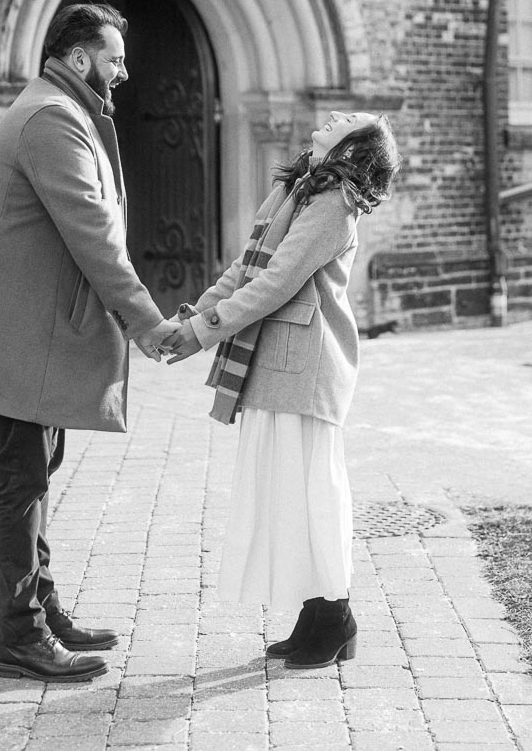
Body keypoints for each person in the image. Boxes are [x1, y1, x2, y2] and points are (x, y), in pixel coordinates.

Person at [0, 2, 177, 683]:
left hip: (31, 332)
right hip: (20, 335)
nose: (123, 70)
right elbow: (94, 234)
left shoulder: (60, 110)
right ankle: (21, 636)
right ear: (78, 58)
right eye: (114, 57)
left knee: (33, 476)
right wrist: (148, 324)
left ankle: (43, 609)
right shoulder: (51, 120)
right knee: (20, 480)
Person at [164, 110, 400, 669]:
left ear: (355, 146)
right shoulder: (296, 190)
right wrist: (193, 317)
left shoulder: (334, 202)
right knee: (287, 491)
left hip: (306, 366)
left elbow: (275, 284)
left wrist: (201, 333)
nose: (334, 116)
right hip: (278, 363)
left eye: (349, 119)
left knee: (312, 490)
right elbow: (245, 270)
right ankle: (316, 614)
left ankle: (336, 617)